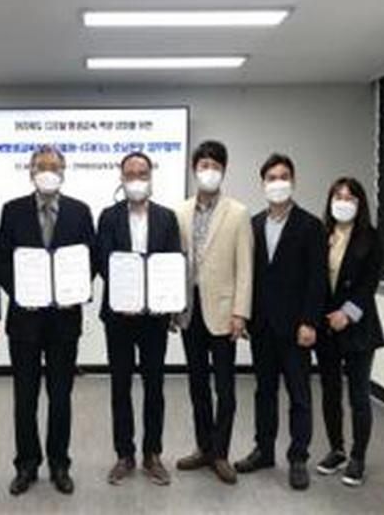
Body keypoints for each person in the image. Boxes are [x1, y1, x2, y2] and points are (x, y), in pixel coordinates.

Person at [0, 145, 95, 496]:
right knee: (25, 397)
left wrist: (75, 289)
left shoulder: (80, 211)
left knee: (60, 395)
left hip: (64, 321)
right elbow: (2, 260)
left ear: (63, 172)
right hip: (25, 320)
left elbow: (90, 259)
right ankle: (26, 464)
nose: (48, 172)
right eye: (42, 167)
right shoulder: (12, 210)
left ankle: (59, 463)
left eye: (54, 167)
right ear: (31, 172)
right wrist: (23, 292)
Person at [234, 153, 327, 491]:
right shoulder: (254, 224)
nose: (278, 183)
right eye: (271, 178)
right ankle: (264, 450)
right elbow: (248, 275)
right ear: (263, 184)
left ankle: (298, 457)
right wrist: (245, 315)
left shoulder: (310, 225)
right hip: (262, 326)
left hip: (296, 327)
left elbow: (317, 279)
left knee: (299, 394)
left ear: (293, 181)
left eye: (283, 176)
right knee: (264, 392)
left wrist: (310, 322)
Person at [97, 152, 181, 487]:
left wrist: (164, 301)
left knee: (154, 386)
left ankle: (152, 454)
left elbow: (171, 263)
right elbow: (104, 261)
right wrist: (126, 295)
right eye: (130, 174)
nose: (136, 179)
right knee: (120, 386)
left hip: (154, 318)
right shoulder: (108, 216)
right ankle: (124, 455)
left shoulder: (166, 217)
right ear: (121, 178)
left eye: (142, 173)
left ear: (151, 176)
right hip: (119, 315)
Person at [173, 141, 253, 485]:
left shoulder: (238, 213)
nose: (209, 171)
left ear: (224, 170)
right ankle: (203, 447)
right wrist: (172, 308)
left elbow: (245, 268)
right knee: (197, 386)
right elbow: (174, 263)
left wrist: (241, 312)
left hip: (223, 313)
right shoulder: (180, 211)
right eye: (203, 165)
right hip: (190, 311)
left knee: (225, 389)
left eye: (215, 166)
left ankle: (220, 453)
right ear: (195, 169)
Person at [315, 177, 384, 487]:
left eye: (350, 197)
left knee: (358, 395)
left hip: (358, 328)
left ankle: (358, 456)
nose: (343, 202)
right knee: (330, 392)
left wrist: (348, 313)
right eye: (338, 196)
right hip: (327, 328)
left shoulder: (370, 237)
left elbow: (370, 284)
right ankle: (337, 450)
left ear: (360, 203)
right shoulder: (321, 234)